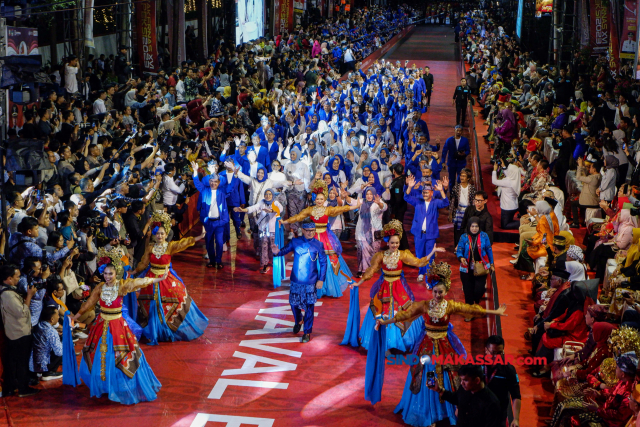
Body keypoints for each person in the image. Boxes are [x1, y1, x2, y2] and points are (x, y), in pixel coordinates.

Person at [377, 262, 507, 427]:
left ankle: (445, 411)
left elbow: (471, 309)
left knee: (449, 376)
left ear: (446, 292)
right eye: (435, 292)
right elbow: (404, 315)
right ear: (431, 291)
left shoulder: (450, 306)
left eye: (441, 292)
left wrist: (495, 312)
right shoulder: (424, 305)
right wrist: (384, 321)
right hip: (427, 345)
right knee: (426, 373)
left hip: (446, 344)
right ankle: (428, 414)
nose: (438, 295)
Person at [71, 264, 167, 404]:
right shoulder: (100, 287)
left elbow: (140, 281)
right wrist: (75, 317)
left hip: (117, 326)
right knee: (101, 356)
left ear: (116, 274)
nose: (108, 277)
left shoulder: (122, 286)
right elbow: (89, 304)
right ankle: (104, 384)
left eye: (111, 274)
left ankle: (119, 386)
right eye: (105, 274)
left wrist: (159, 279)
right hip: (101, 324)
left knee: (119, 355)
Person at [352, 220, 445, 352]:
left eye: (397, 243)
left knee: (401, 312)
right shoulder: (380, 256)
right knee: (382, 312)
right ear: (387, 243)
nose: (394, 245)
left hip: (399, 288)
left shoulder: (403, 254)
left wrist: (432, 252)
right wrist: (358, 283)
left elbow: (419, 262)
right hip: (384, 289)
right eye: (392, 243)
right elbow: (370, 272)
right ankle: (384, 345)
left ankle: (397, 343)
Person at [134, 211, 208, 345]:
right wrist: (134, 271)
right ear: (154, 235)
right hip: (150, 280)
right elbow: (144, 263)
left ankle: (168, 330)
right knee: (151, 306)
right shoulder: (150, 247)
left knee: (179, 298)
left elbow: (184, 243)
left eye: (162, 233)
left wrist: (200, 236)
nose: (160, 236)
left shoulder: (170, 246)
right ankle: (155, 332)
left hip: (166, 278)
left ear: (166, 234)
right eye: (157, 233)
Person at [283, 180, 360, 298]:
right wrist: (285, 221)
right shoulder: (310, 210)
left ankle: (325, 287)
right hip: (312, 238)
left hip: (324, 239)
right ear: (314, 199)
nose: (319, 201)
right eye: (317, 199)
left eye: (321, 199)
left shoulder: (327, 209)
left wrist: (355, 206)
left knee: (327, 262)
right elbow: (298, 217)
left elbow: (341, 209)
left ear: (324, 200)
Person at [272, 220, 327, 343]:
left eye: (313, 230)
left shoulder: (318, 244)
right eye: (308, 231)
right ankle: (298, 320)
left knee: (309, 307)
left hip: (310, 281)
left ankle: (307, 332)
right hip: (296, 280)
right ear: (302, 230)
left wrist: (321, 279)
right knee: (293, 303)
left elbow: (323, 263)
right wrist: (276, 252)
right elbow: (283, 251)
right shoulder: (295, 242)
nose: (310, 233)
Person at [0, 264, 39, 397]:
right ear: (9, 278)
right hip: (18, 333)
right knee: (21, 362)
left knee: (15, 362)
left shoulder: (8, 292)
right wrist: (29, 296)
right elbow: (21, 312)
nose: (18, 279)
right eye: (17, 277)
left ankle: (14, 386)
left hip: (16, 332)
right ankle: (22, 388)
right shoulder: (8, 295)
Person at [404, 175, 450, 283]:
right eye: (423, 192)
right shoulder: (418, 202)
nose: (425, 194)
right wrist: (409, 187)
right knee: (420, 255)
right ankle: (421, 272)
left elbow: (445, 203)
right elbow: (406, 197)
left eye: (427, 192)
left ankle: (428, 278)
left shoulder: (435, 203)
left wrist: (442, 190)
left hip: (431, 234)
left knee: (430, 257)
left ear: (432, 193)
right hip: (418, 234)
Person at [429, 364, 503, 427]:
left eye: (465, 380)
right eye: (461, 380)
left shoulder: (491, 403)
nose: (462, 383)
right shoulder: (464, 389)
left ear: (477, 380)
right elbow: (455, 398)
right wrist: (438, 389)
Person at [192, 166, 229, 269]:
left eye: (215, 182)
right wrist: (195, 171)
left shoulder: (222, 191)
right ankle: (212, 261)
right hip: (208, 222)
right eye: (211, 181)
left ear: (218, 183)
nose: (213, 183)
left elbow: (231, 186)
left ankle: (219, 260)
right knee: (208, 242)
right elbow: (197, 183)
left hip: (219, 222)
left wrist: (234, 174)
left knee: (219, 242)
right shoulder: (204, 190)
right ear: (209, 182)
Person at [483, 335, 522, 427]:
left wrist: (516, 419)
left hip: (498, 414)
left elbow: (516, 395)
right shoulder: (476, 365)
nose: (497, 356)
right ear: (486, 350)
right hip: (478, 412)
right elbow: (464, 387)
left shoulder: (509, 370)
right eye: (493, 352)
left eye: (500, 352)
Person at [455, 217, 495, 308]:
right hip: (466, 269)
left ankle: (476, 301)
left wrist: (491, 263)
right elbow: (459, 249)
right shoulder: (464, 237)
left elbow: (489, 250)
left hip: (481, 267)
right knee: (468, 291)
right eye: (472, 226)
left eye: (476, 226)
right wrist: (461, 258)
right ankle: (469, 311)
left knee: (479, 290)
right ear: (469, 226)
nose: (474, 228)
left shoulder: (484, 236)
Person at [29, 306, 63, 381]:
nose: (58, 316)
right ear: (52, 319)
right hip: (44, 364)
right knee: (64, 349)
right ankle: (48, 372)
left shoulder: (39, 325)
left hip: (33, 363)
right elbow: (59, 352)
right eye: (57, 314)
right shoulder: (52, 332)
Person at [450, 168, 476, 245]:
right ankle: (457, 246)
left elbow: (474, 202)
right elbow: (452, 201)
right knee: (457, 231)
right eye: (461, 175)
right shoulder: (456, 187)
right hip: (458, 212)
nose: (461, 177)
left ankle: (466, 246)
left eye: (464, 176)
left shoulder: (472, 189)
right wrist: (450, 214)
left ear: (468, 178)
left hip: (468, 212)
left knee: (467, 230)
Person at [492, 161, 521, 230]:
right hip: (513, 205)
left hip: (507, 207)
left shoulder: (508, 182)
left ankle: (522, 224)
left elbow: (494, 181)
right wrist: (504, 167)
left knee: (505, 225)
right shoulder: (515, 179)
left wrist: (494, 170)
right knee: (508, 221)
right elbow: (508, 175)